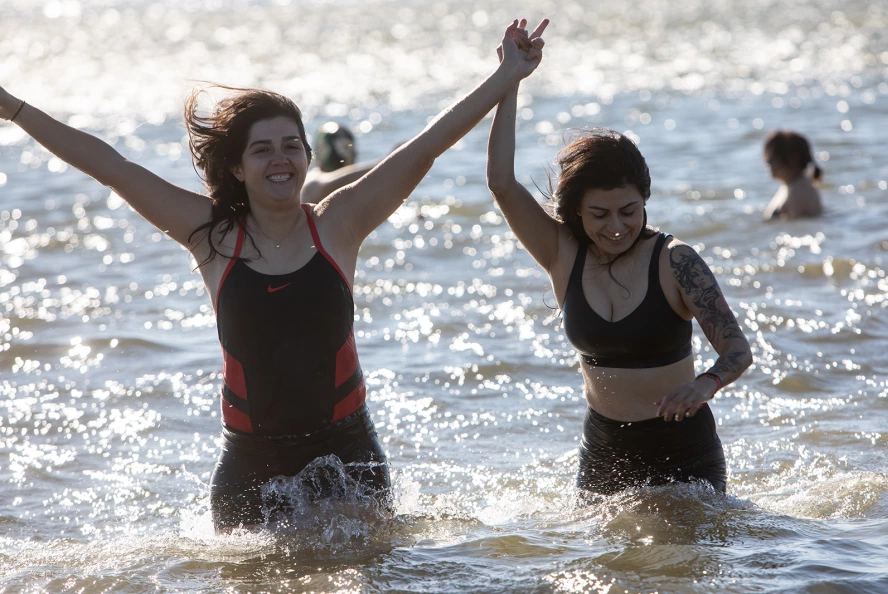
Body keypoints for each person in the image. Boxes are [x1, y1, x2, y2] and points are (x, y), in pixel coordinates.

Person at [0, 17, 549, 532]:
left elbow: (427, 146)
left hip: (348, 457)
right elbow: (109, 164)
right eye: (261, 150)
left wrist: (505, 77)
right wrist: (12, 108)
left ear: (310, 156)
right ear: (237, 168)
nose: (279, 159)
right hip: (249, 467)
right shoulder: (211, 236)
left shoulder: (339, 224)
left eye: (291, 146)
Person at [486, 43, 753, 497]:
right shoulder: (560, 252)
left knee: (678, 566)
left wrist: (705, 384)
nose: (616, 227)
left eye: (629, 211)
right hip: (605, 450)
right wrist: (510, 80)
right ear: (576, 213)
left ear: (645, 199)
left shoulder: (675, 260)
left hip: (684, 449)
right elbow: (501, 182)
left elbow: (737, 350)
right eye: (599, 215)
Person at [301, 121, 388, 204]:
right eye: (345, 148)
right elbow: (335, 180)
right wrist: (385, 163)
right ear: (325, 149)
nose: (352, 154)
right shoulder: (313, 181)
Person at [762, 129, 823, 220]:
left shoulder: (800, 189)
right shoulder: (791, 185)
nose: (768, 160)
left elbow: (803, 228)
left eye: (774, 156)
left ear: (793, 159)